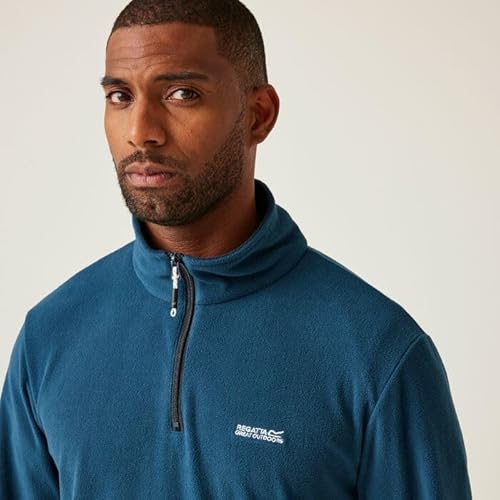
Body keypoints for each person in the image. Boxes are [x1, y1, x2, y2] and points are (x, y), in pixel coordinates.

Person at [0, 0, 472, 498]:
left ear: (258, 115)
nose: (141, 132)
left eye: (182, 94)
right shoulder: (49, 337)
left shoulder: (377, 352)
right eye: (120, 96)